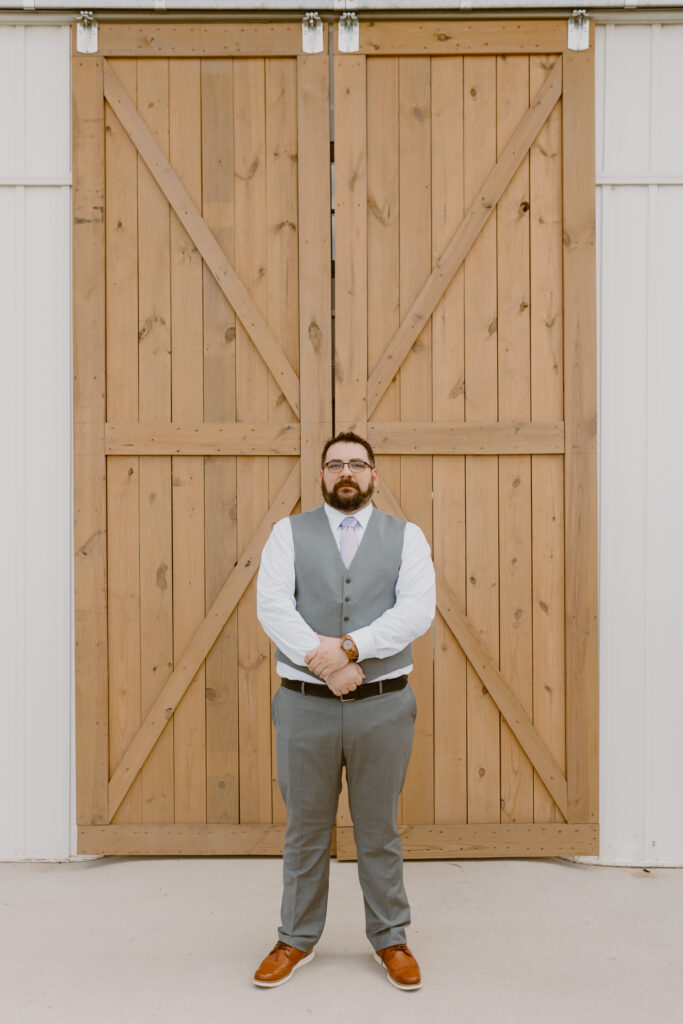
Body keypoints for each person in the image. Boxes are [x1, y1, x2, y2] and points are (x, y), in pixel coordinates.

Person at [253, 431, 436, 990]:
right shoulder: (288, 533)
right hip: (304, 706)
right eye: (335, 464)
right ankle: (295, 938)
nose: (346, 472)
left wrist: (352, 649)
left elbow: (416, 612)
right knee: (305, 830)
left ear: (374, 475)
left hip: (382, 707)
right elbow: (272, 606)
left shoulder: (408, 538)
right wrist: (329, 665)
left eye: (357, 463)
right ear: (323, 475)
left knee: (378, 829)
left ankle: (391, 938)